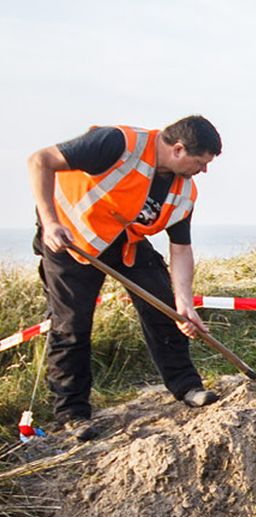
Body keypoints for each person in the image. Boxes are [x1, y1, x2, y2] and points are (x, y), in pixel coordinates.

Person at [28, 116, 223, 441]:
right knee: (71, 327)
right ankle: (72, 414)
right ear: (178, 150)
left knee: (164, 308)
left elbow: (181, 249)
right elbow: (40, 160)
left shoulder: (183, 191)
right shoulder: (116, 143)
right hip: (69, 239)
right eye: (200, 162)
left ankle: (187, 387)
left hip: (122, 241)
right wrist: (49, 222)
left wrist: (184, 303)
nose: (203, 171)